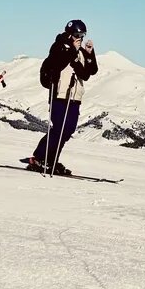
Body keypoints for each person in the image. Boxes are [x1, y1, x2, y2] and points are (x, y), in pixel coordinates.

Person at [24, 19, 98, 175]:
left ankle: (51, 160)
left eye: (83, 35)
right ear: (70, 34)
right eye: (77, 34)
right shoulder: (59, 46)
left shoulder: (79, 50)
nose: (80, 38)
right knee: (58, 129)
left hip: (75, 96)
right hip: (60, 94)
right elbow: (57, 64)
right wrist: (73, 51)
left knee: (68, 130)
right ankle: (39, 157)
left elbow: (89, 72)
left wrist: (90, 53)